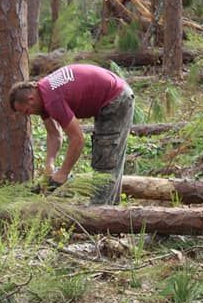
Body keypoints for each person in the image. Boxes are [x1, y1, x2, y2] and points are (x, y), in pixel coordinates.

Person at [9, 64, 134, 205]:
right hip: (113, 95)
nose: (29, 114)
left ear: (30, 99)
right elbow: (54, 135)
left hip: (116, 98)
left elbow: (78, 139)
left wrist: (63, 173)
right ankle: (109, 210)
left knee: (106, 161)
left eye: (27, 111)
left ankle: (101, 211)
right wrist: (49, 164)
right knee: (106, 160)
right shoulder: (43, 93)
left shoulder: (52, 99)